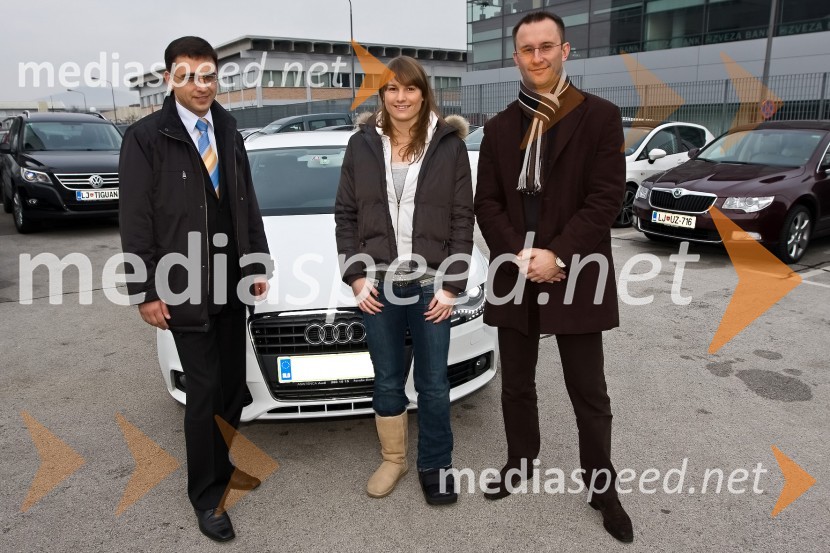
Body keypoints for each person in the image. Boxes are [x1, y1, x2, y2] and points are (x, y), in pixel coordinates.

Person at [473, 11, 634, 543]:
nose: (536, 57)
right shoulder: (498, 129)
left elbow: (606, 198)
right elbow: (487, 203)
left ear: (565, 51)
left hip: (576, 269)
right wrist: (519, 255)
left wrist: (557, 254)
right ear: (515, 57)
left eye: (547, 47)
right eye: (527, 49)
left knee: (588, 389)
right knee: (516, 384)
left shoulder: (601, 117)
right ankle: (521, 460)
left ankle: (602, 487)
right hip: (514, 271)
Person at [119, 36, 271, 542]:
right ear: (170, 79)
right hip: (182, 286)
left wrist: (258, 261)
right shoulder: (145, 138)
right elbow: (136, 220)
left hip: (232, 282)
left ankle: (221, 466)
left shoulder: (228, 129)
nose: (200, 85)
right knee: (203, 391)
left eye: (207, 75)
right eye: (187, 75)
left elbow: (246, 202)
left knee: (231, 390)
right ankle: (207, 497)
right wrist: (145, 289)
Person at [335, 55, 474, 505]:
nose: (401, 97)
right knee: (388, 378)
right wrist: (355, 277)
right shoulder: (361, 144)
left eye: (410, 88)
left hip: (432, 282)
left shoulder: (449, 145)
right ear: (381, 94)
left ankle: (435, 464)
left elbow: (461, 217)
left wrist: (452, 286)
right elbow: (346, 215)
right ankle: (392, 458)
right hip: (378, 282)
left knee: (434, 381)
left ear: (423, 92)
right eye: (392, 88)